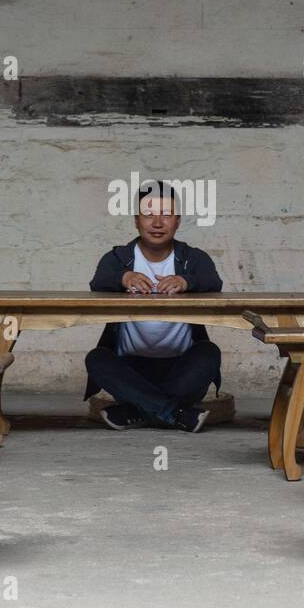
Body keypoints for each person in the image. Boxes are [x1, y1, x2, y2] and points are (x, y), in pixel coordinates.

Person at [84, 182, 223, 432]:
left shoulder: (193, 258)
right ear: (136, 220)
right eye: (148, 214)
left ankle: (137, 410)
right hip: (131, 370)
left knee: (209, 353)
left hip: (182, 369)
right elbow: (97, 283)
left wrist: (186, 281)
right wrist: (123, 278)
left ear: (178, 221)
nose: (157, 222)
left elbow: (214, 283)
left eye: (166, 215)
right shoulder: (117, 258)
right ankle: (176, 413)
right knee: (97, 359)